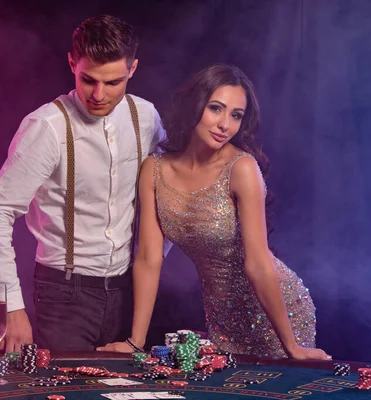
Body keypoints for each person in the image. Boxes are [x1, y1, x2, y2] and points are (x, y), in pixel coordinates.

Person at [98, 64, 331, 360]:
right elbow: (148, 258)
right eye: (216, 109)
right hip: (222, 320)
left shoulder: (241, 168)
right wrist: (135, 341)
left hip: (277, 314)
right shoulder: (154, 169)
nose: (225, 125)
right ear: (195, 105)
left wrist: (292, 347)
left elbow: (258, 263)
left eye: (236, 115)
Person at [0, 15, 166, 352]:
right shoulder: (46, 128)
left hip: (128, 294)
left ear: (132, 69)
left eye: (113, 82)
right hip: (64, 296)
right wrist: (11, 305)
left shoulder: (146, 117)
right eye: (88, 80)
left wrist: (153, 254)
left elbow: (169, 193)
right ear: (72, 62)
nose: (98, 95)